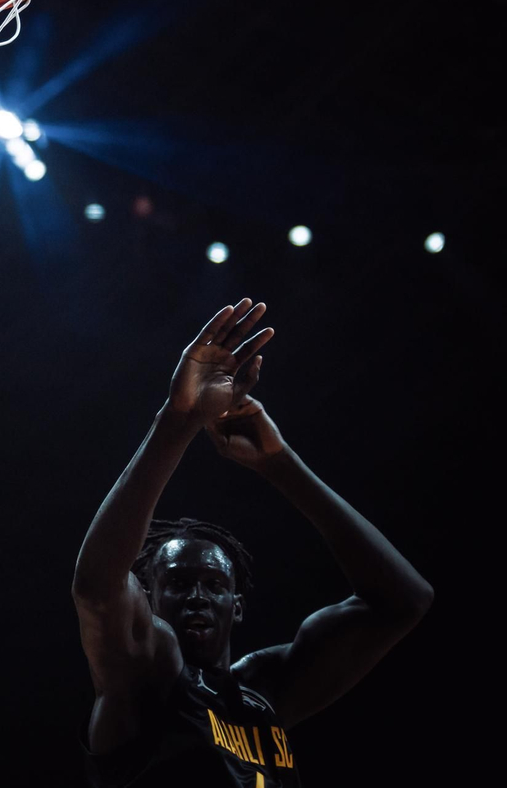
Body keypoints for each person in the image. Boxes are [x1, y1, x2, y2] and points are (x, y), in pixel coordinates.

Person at [71, 299, 434, 786]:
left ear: (237, 605)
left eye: (214, 584)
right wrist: (179, 420)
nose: (198, 596)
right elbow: (98, 588)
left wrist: (279, 462)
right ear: (148, 600)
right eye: (178, 583)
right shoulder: (144, 678)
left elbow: (405, 600)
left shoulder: (265, 691)